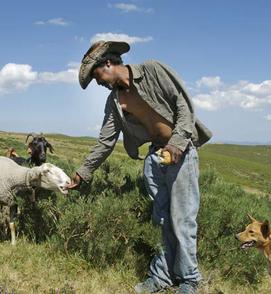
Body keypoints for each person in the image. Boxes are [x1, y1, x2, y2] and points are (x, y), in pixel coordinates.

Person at [67, 40, 212, 294]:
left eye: (97, 75)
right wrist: (84, 171)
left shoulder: (152, 70)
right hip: (156, 157)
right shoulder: (114, 101)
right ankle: (161, 276)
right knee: (161, 219)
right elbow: (105, 141)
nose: (98, 82)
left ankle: (189, 279)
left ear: (109, 63)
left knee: (183, 219)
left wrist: (177, 144)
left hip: (182, 152)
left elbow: (184, 106)